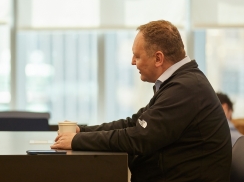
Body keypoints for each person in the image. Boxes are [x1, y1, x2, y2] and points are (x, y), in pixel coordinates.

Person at [51, 20, 231, 181]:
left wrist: (77, 141)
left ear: (158, 58)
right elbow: (134, 123)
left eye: (137, 56)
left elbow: (139, 138)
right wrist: (82, 131)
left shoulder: (186, 88)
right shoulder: (180, 83)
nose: (132, 62)